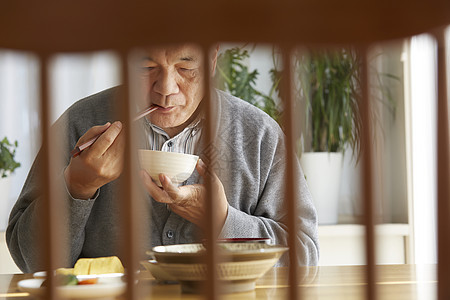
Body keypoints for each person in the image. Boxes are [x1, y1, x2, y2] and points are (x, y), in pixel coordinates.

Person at [7, 44, 319, 273]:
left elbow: (305, 256)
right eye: (146, 67)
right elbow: (31, 262)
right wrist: (76, 187)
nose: (166, 89)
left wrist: (224, 220)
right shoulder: (80, 122)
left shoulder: (260, 135)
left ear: (212, 60)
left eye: (186, 67)